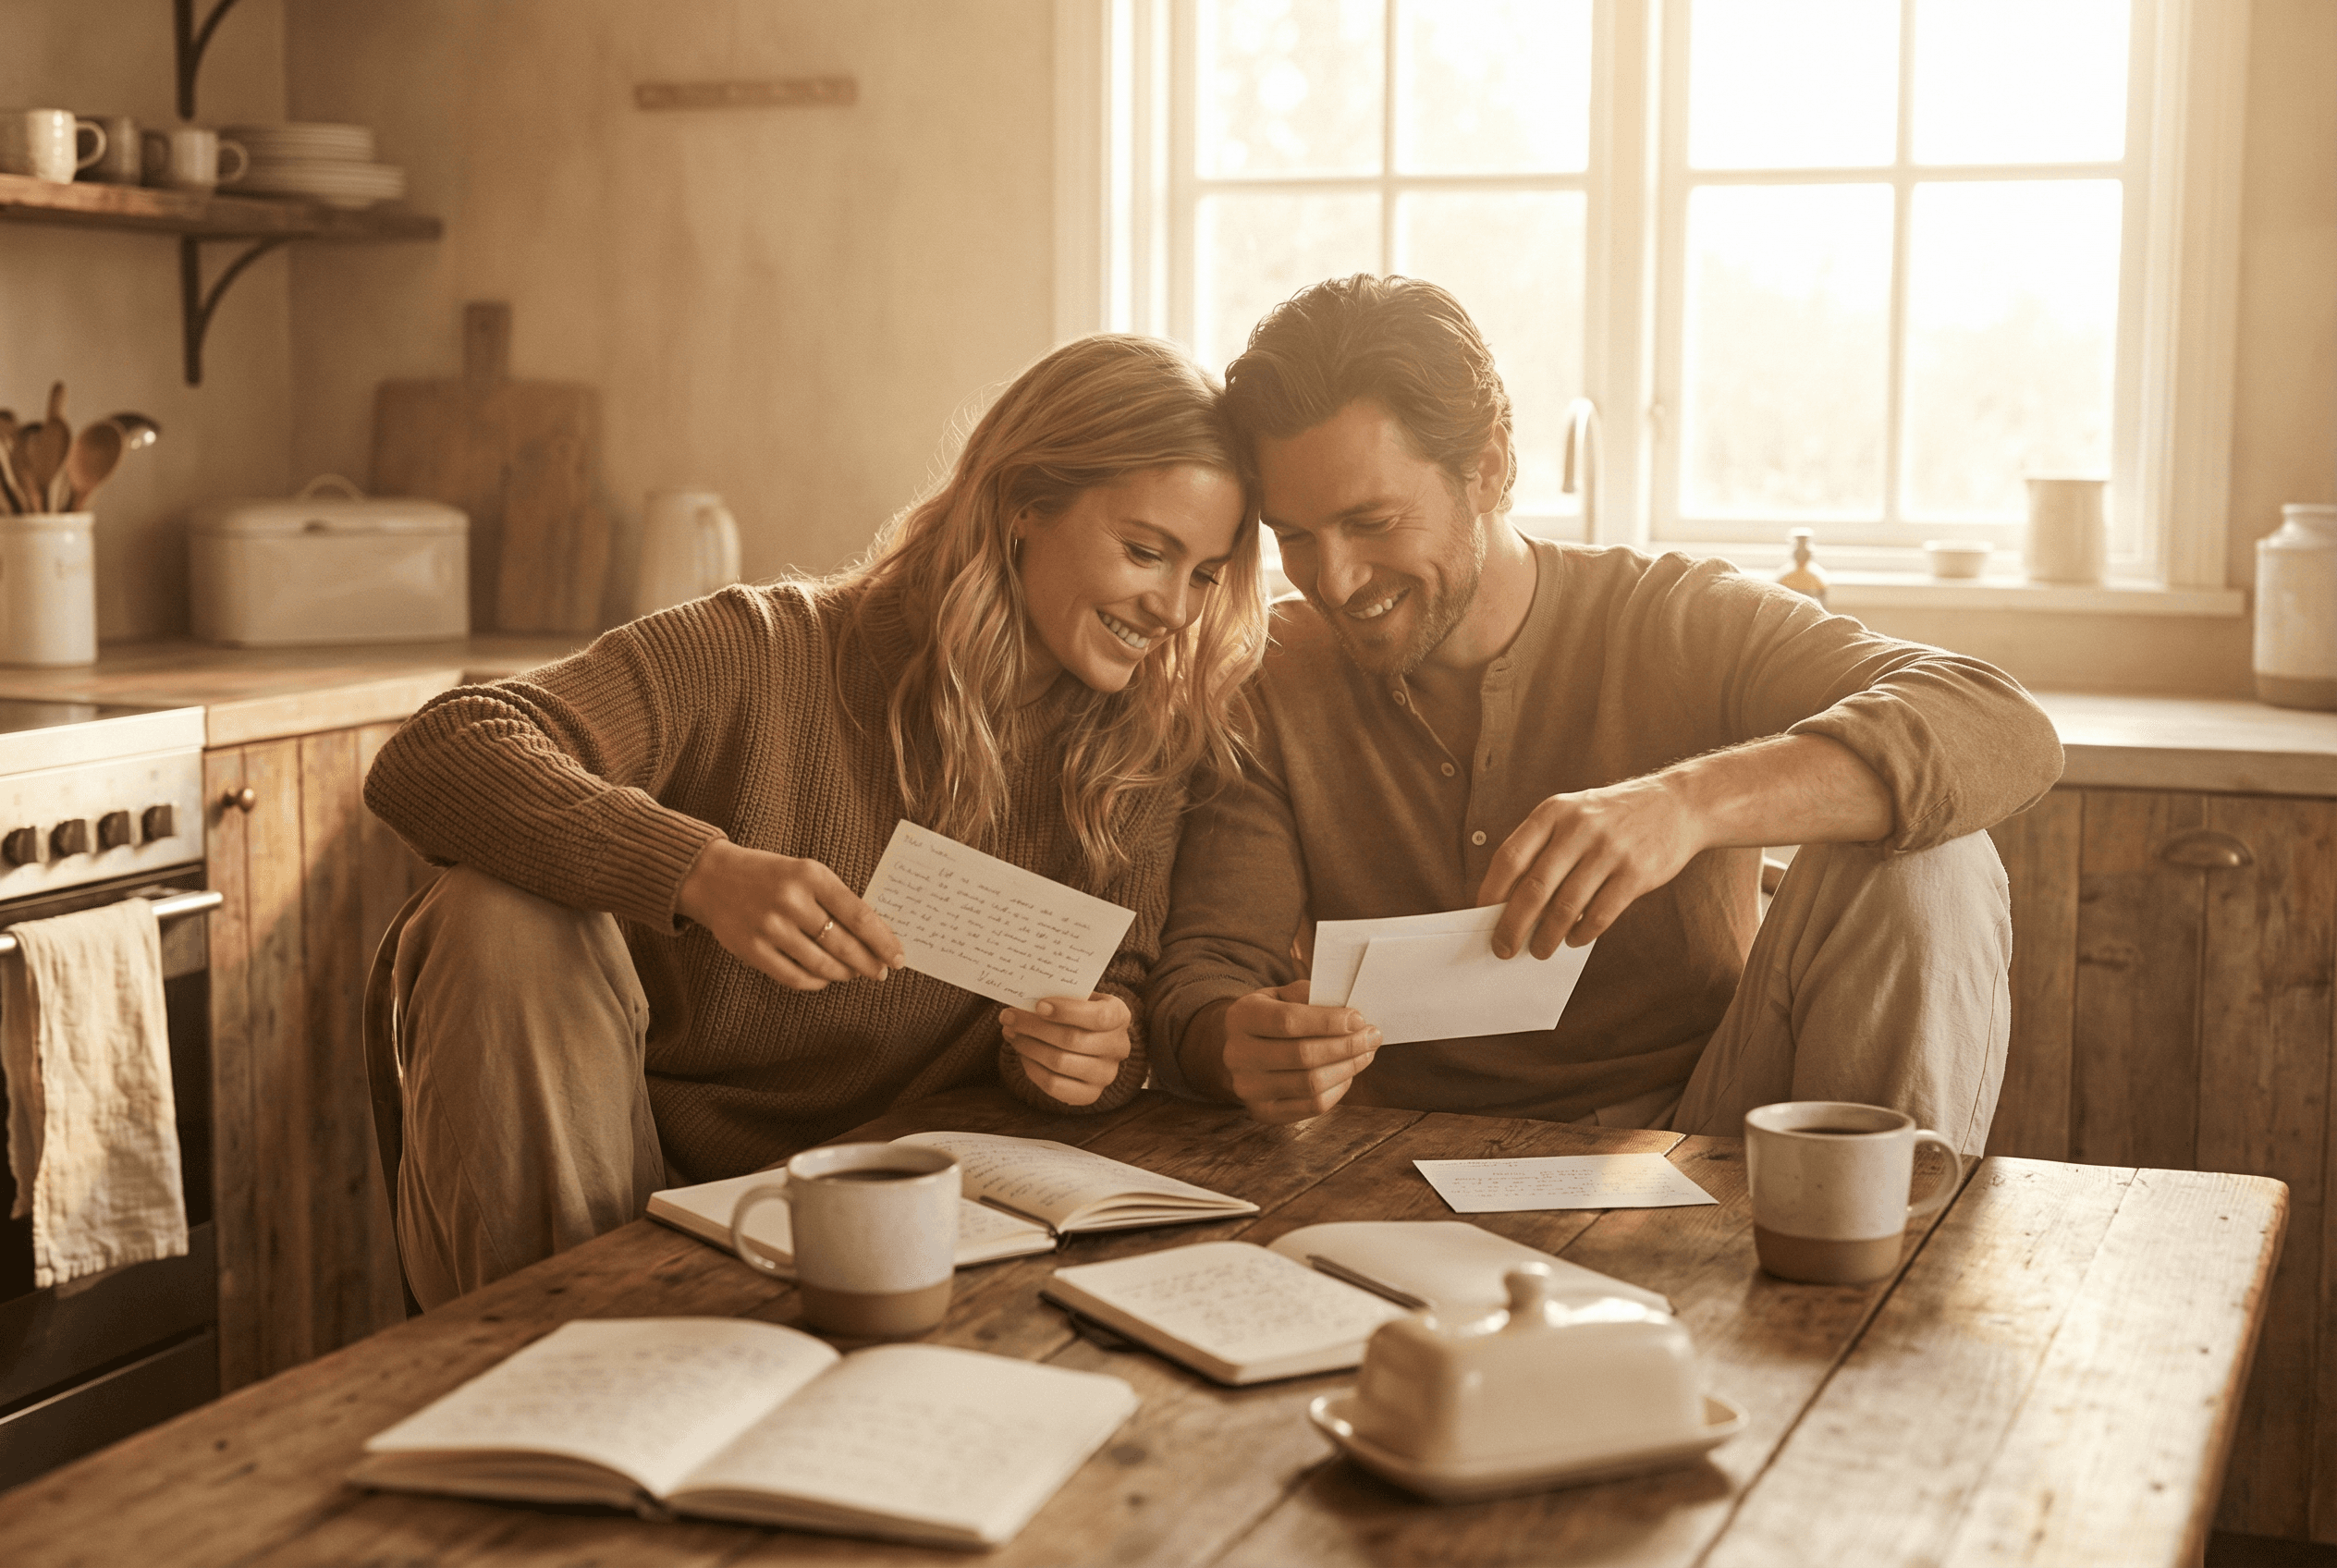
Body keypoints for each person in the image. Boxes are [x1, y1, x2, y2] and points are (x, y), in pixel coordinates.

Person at [365, 335, 1265, 1307]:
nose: (1175, 607)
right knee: (493, 911)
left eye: (1205, 574)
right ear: (1020, 510)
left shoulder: (1141, 747)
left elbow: (1118, 1004)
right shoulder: (757, 652)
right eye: (1145, 551)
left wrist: (1085, 1053)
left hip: (903, 1226)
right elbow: (441, 747)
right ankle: (540, 1355)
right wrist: (697, 871)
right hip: (618, 1199)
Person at [1146, 275, 2063, 1153]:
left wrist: (1683, 806)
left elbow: (2000, 724)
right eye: (1295, 538)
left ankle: (1871, 1259)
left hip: (1706, 1126)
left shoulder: (1678, 617)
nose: (1334, 579)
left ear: (1488, 468)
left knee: (1931, 858)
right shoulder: (1268, 681)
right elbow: (1201, 979)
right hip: (1402, 1157)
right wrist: (1234, 1042)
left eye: (1373, 521)